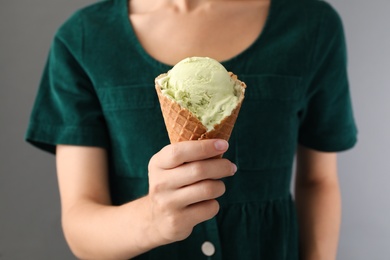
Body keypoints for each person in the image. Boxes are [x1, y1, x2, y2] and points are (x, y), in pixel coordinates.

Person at [25, 0, 358, 259]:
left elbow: (319, 181)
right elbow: (80, 223)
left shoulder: (312, 26)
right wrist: (153, 219)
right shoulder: (83, 39)